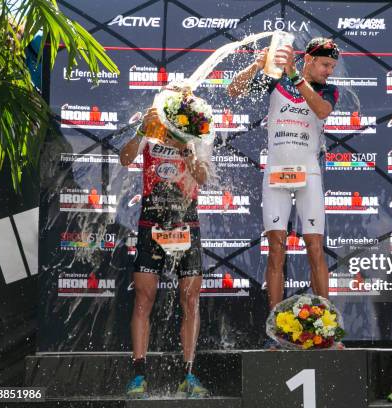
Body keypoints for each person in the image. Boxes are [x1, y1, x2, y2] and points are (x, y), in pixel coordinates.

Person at [227, 37, 340, 348]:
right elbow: (233, 91)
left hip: (309, 174)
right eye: (325, 65)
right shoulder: (276, 79)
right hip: (276, 172)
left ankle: (326, 327)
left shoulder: (326, 89)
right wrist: (256, 64)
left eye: (332, 66)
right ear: (309, 59)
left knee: (315, 247)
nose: (329, 71)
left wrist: (296, 76)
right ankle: (275, 329)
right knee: (276, 249)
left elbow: (321, 111)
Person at [120, 108, 210, 398]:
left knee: (190, 298)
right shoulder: (152, 130)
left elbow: (203, 178)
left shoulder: (196, 133)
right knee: (144, 297)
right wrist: (140, 131)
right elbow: (124, 159)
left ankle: (189, 373)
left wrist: (187, 151)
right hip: (151, 221)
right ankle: (138, 376)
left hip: (187, 223)